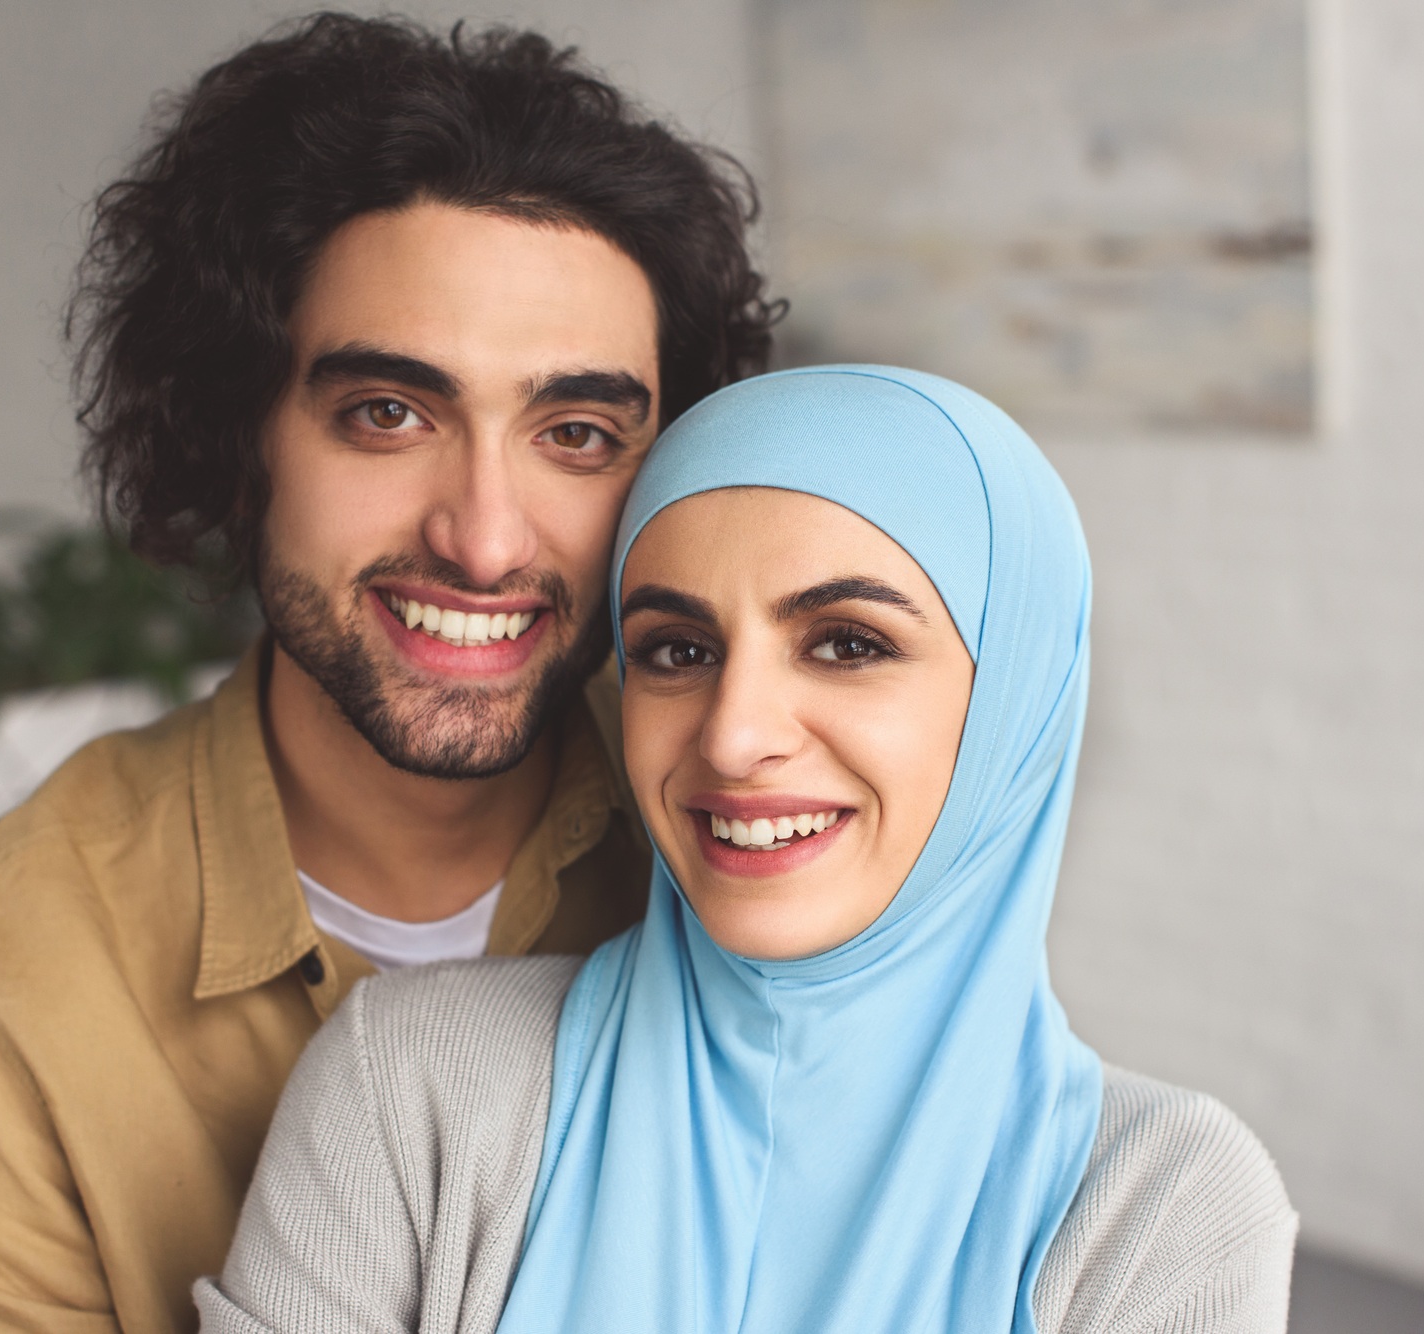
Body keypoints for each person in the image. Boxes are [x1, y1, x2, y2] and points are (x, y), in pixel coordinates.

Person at [0, 14, 779, 1333]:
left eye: (578, 433)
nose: (484, 537)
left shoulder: (760, 844)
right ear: (235, 434)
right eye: (389, 414)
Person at [198, 366, 1299, 1334]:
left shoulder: (1158, 1202)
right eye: (677, 650)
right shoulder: (412, 1084)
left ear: (1012, 697)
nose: (731, 736)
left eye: (846, 643)